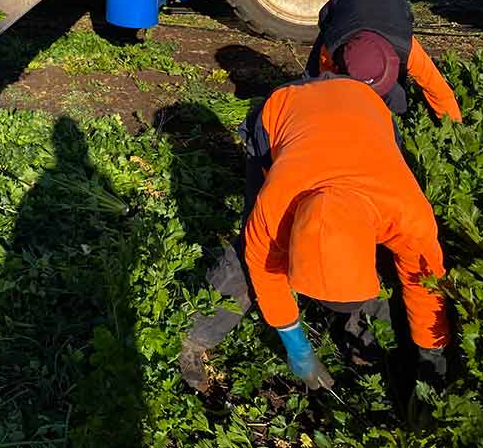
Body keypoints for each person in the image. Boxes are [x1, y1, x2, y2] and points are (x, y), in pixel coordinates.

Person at [178, 32, 451, 393]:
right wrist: (297, 345)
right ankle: (198, 337)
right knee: (248, 252)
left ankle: (364, 342)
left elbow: (423, 280)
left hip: (366, 106)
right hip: (285, 110)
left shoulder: (406, 214)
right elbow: (265, 269)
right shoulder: (274, 205)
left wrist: (432, 350)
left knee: (398, 271)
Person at [306, 0, 462, 122]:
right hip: (343, 7)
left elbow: (438, 91)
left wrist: (455, 130)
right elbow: (326, 89)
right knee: (312, 82)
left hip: (391, 5)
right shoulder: (331, 48)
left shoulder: (407, 48)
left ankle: (395, 122)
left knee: (397, 96)